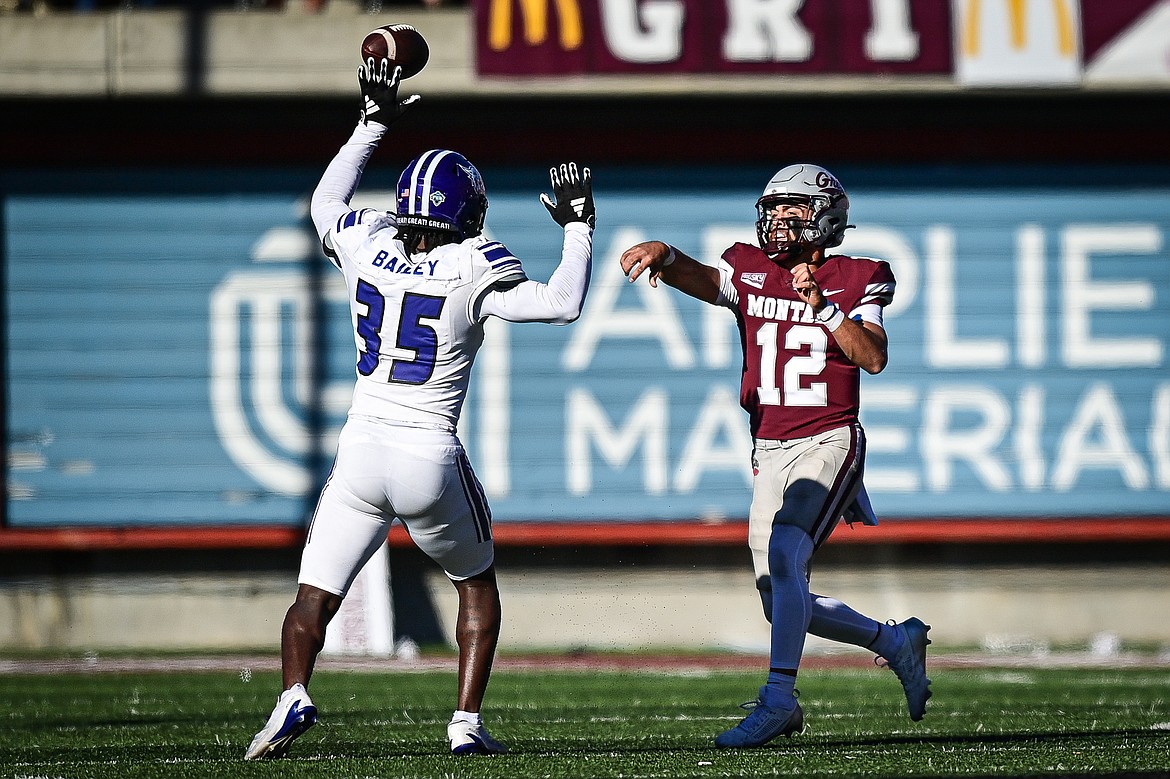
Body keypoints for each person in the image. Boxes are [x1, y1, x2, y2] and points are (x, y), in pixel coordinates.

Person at [245, 61, 595, 759]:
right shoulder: (473, 263)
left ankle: (292, 694)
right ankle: (465, 722)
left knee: (313, 593)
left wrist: (371, 124)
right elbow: (562, 302)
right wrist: (580, 226)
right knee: (478, 587)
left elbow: (323, 204)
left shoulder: (370, 246)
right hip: (427, 453)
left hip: (361, 450)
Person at [619, 164, 929, 748]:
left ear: (827, 217)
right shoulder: (750, 267)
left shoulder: (859, 275)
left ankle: (779, 699)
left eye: (792, 209)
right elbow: (709, 282)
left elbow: (874, 357)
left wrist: (827, 308)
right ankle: (893, 641)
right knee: (777, 594)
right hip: (769, 446)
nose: (778, 220)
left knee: (788, 549)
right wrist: (666, 254)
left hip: (830, 436)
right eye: (773, 209)